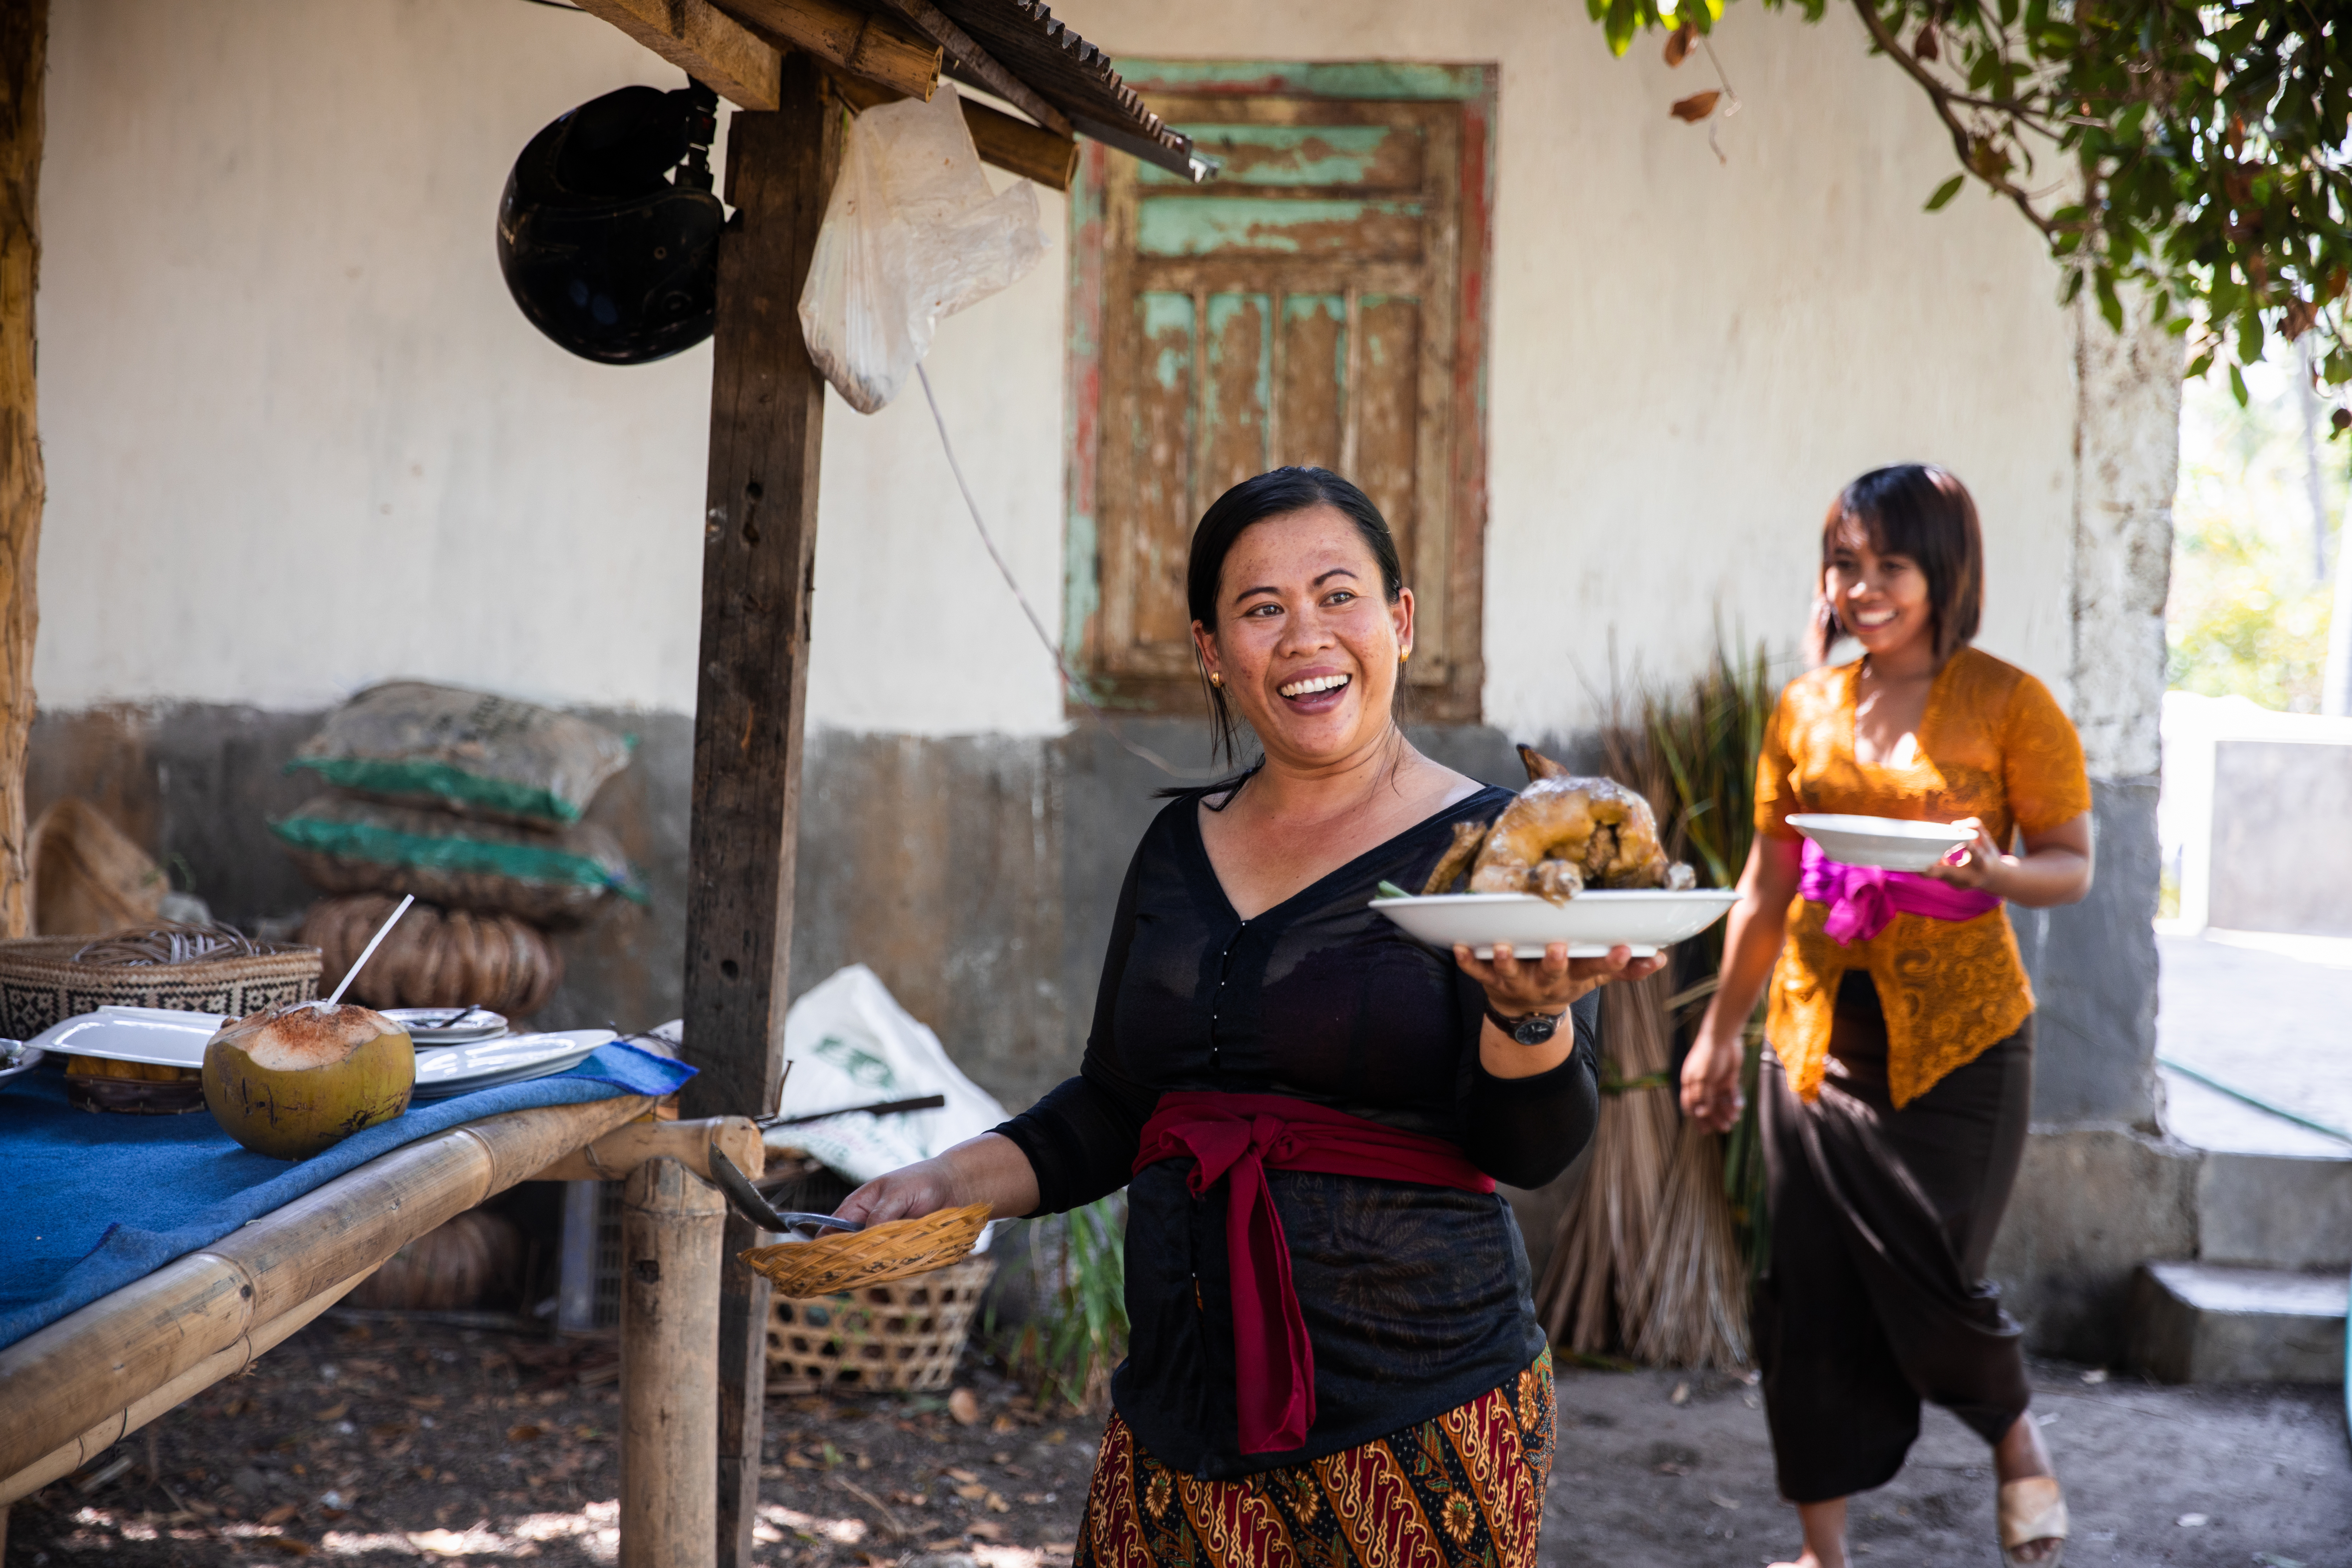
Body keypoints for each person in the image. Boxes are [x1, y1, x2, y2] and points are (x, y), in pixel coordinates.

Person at [836, 466, 1662, 1568]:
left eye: (1337, 595)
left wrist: (1527, 1019)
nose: (1305, 637)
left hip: (1416, 1428)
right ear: (1210, 650)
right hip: (1177, 1426)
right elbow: (1118, 1106)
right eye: (1262, 608)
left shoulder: (1489, 851)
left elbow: (1532, 1146)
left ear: (1399, 621)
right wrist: (949, 1182)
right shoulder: (1176, 849)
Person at [1680, 464, 2093, 1568]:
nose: (1862, 587)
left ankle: (2015, 1438)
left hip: (1962, 1042)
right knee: (1804, 1290)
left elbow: (2072, 862)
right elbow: (1766, 890)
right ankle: (1823, 1553)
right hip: (1811, 1040)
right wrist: (1720, 1030)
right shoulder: (1805, 706)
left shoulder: (2010, 702)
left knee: (1927, 1268)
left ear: (1941, 572)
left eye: (1890, 565)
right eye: (1844, 563)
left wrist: (2000, 872)